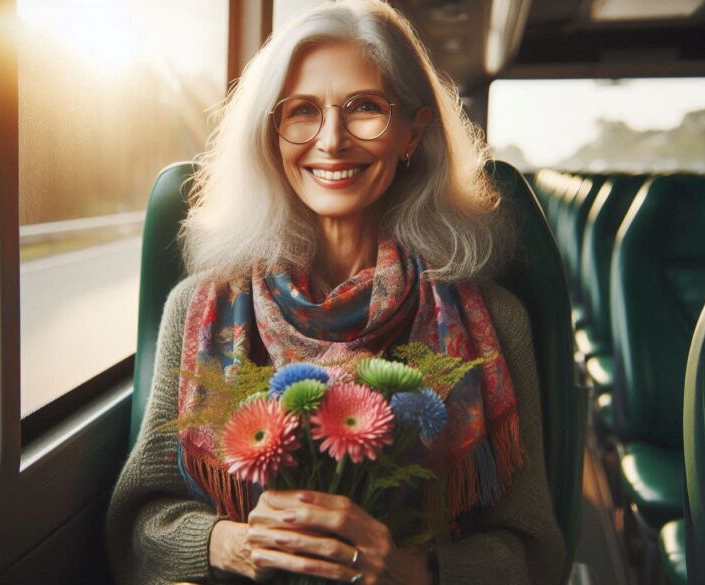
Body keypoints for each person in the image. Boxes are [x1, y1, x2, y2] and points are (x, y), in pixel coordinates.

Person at [106, 1, 564, 584]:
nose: (332, 140)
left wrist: (413, 570)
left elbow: (536, 555)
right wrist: (233, 543)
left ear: (410, 133)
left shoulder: (496, 320)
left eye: (365, 109)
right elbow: (138, 530)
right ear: (272, 136)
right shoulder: (196, 310)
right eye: (302, 112)